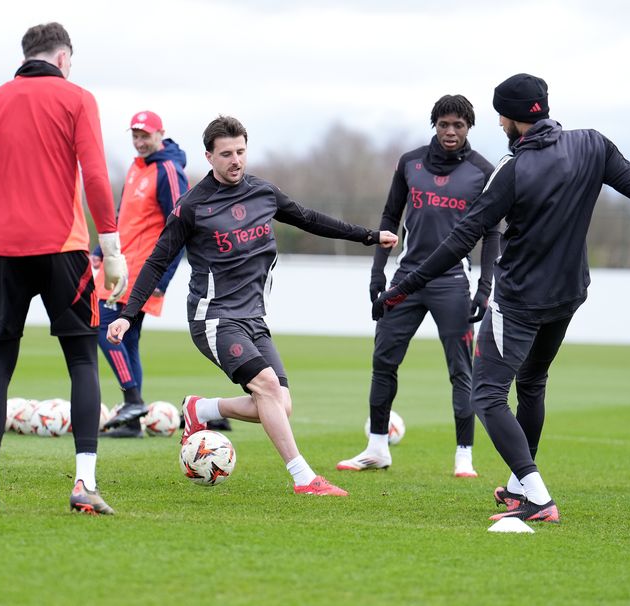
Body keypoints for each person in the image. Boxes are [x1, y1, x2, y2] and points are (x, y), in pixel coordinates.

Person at [374, 73, 630, 523]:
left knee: (487, 395)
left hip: (519, 301)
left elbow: (462, 237)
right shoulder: (593, 144)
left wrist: (401, 287)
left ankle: (538, 497)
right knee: (532, 384)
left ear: (509, 118)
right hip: (569, 295)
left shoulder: (512, 169)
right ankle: (520, 485)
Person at [107, 115, 397, 496]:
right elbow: (158, 260)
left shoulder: (263, 193)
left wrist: (369, 236)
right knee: (266, 387)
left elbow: (310, 219)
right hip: (213, 318)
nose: (235, 161)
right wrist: (129, 314)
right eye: (226, 154)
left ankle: (202, 410)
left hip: (254, 318)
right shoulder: (192, 207)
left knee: (280, 404)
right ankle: (304, 477)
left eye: (241, 152)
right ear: (208, 156)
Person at [0, 22, 127, 515]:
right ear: (62, 58)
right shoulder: (78, 98)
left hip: (1, 253)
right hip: (66, 250)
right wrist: (112, 242)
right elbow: (96, 175)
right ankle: (84, 484)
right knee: (82, 361)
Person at [336, 95, 498, 478]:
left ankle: (464, 456)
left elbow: (493, 232)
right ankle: (377, 447)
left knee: (461, 370)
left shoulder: (483, 171)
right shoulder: (410, 162)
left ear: (469, 127)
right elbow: (390, 216)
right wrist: (378, 271)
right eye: (444, 124)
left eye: (458, 125)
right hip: (406, 279)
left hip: (452, 282)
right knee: (383, 362)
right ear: (435, 125)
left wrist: (485, 286)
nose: (450, 131)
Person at [94, 110, 188, 438]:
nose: (140, 141)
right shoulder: (137, 168)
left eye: (145, 135)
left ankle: (133, 401)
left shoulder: (168, 171)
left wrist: (163, 280)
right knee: (128, 338)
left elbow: (180, 229)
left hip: (144, 271)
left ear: (160, 133)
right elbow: (123, 218)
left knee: (104, 328)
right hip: (120, 265)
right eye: (135, 135)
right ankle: (133, 421)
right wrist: (99, 251)